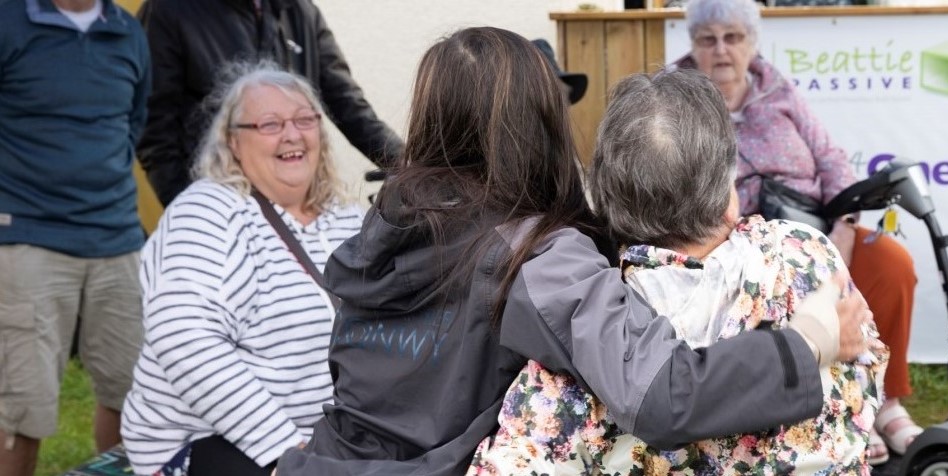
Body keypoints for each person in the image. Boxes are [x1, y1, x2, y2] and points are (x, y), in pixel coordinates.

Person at [277, 27, 868, 475]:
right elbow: (661, 395)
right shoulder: (536, 258)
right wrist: (804, 343)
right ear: (542, 124)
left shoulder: (381, 226)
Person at [470, 68, 886, 474]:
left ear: (609, 198)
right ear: (729, 194)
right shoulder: (803, 253)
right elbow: (865, 376)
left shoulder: (595, 323)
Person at [671, 0, 922, 462]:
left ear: (752, 42)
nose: (722, 50)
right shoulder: (677, 93)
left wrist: (844, 227)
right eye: (708, 39)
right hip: (730, 238)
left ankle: (886, 401)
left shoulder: (777, 89)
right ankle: (843, 411)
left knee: (891, 263)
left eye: (733, 37)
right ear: (693, 45)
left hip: (816, 228)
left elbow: (831, 160)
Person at [119, 64, 365, 476]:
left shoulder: (347, 218)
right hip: (211, 442)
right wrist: (287, 451)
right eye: (269, 124)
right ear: (233, 142)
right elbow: (183, 337)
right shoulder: (208, 212)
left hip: (328, 438)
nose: (292, 134)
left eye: (305, 120)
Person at [0, 0, 148, 474]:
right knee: (20, 408)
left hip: (119, 239)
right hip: (28, 236)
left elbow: (132, 123)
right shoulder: (7, 20)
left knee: (134, 396)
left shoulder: (127, 31)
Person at [135, 0, 403, 206]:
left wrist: (412, 165)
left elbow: (348, 104)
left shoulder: (298, 9)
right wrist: (185, 204)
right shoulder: (169, 10)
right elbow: (154, 127)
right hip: (219, 198)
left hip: (295, 201)